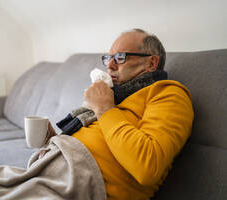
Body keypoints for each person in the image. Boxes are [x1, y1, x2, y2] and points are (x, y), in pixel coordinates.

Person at [47, 28, 194, 199]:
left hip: (77, 185)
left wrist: (104, 108)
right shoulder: (116, 96)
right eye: (109, 58)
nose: (110, 65)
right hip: (53, 169)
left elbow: (147, 167)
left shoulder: (168, 94)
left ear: (151, 63)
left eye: (120, 57)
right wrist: (54, 141)